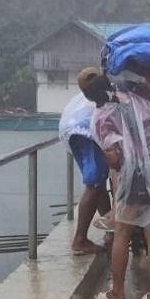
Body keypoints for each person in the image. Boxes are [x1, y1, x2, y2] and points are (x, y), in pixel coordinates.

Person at [78, 67, 150, 299]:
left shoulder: (101, 116)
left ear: (88, 96)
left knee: (122, 232)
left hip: (136, 174)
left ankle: (117, 292)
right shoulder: (138, 99)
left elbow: (114, 157)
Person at [58, 92, 112, 255]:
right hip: (86, 129)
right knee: (95, 182)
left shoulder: (87, 94)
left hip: (75, 127)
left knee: (99, 180)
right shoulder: (113, 91)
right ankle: (80, 239)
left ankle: (111, 229)